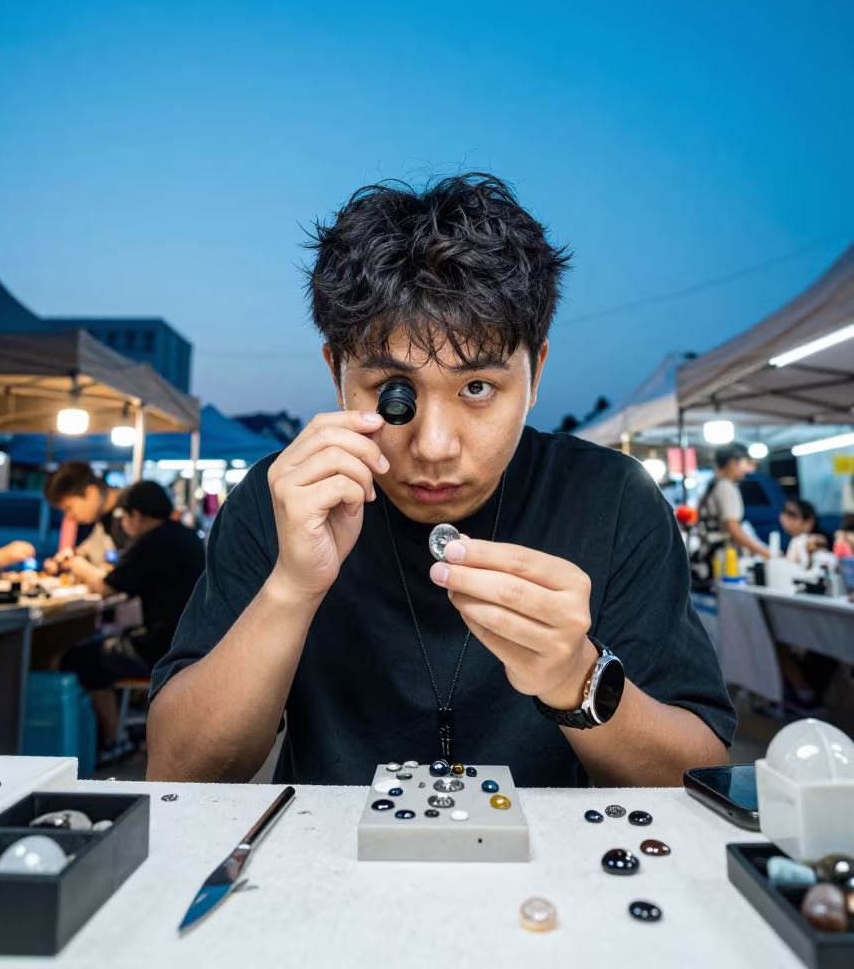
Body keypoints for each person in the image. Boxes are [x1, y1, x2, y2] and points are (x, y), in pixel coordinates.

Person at [147, 172, 733, 788]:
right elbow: (178, 772)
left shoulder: (613, 498)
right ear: (336, 372)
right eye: (393, 393)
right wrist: (292, 588)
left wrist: (576, 680)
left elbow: (700, 779)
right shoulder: (282, 498)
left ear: (536, 373)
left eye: (477, 388)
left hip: (558, 874)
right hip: (322, 869)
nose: (432, 447)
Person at [60, 480, 204, 748]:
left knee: (79, 657)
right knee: (103, 646)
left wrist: (76, 564)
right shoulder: (183, 535)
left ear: (134, 515)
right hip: (190, 642)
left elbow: (107, 588)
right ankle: (116, 734)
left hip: (163, 649)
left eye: (123, 516)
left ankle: (115, 741)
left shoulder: (151, 541)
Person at [43, 462, 131, 584]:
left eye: (69, 508)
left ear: (91, 493)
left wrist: (82, 567)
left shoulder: (130, 513)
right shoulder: (106, 518)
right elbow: (94, 548)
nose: (70, 516)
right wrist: (70, 557)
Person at [697, 443, 772, 566]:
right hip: (721, 558)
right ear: (732, 463)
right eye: (745, 462)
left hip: (709, 555)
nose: (749, 469)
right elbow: (733, 529)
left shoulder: (712, 485)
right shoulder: (726, 487)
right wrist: (766, 553)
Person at [780, 499, 828, 567]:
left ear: (809, 520)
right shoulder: (794, 539)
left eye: (792, 515)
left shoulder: (810, 539)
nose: (787, 520)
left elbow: (818, 541)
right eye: (785, 513)